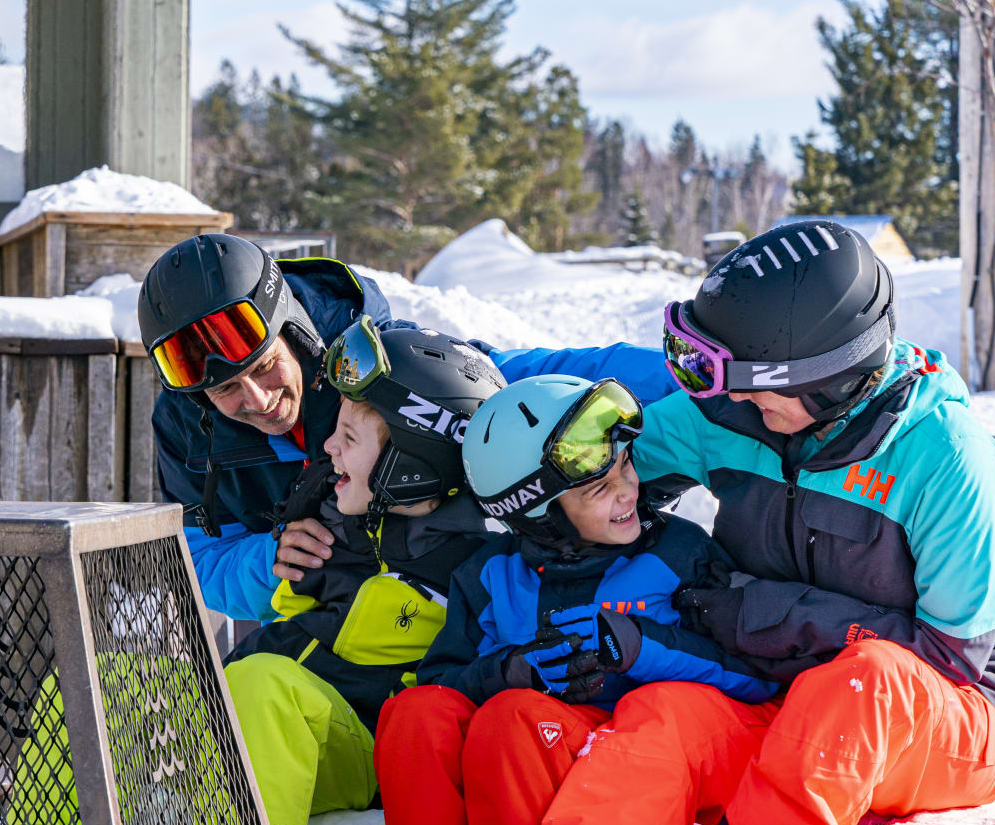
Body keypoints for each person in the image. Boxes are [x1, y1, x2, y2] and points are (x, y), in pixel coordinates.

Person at [408, 219, 995, 825]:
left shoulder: (946, 459)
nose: (732, 402)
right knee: (665, 713)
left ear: (826, 378)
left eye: (750, 385)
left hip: (950, 717)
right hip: (781, 692)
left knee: (858, 684)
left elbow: (947, 658)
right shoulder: (735, 419)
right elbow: (584, 443)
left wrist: (756, 610)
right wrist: (449, 403)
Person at [374, 374, 778, 825]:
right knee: (416, 713)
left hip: (625, 759)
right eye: (598, 488)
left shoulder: (681, 554)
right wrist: (505, 670)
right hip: (523, 753)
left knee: (513, 720)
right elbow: (444, 680)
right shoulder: (489, 576)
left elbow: (751, 675)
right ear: (539, 514)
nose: (627, 491)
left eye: (625, 467)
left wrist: (646, 651)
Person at [138, 235, 682, 625]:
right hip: (323, 624)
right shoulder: (190, 429)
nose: (256, 401)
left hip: (448, 612)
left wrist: (695, 373)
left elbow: (514, 383)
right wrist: (266, 561)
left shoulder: (374, 364)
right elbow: (199, 557)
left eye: (263, 368)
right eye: (225, 389)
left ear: (294, 329)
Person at [221, 318, 507, 825]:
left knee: (264, 687)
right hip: (256, 728)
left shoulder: (478, 570)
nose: (327, 446)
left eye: (349, 439)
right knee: (101, 680)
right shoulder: (331, 523)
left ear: (410, 470)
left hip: (355, 752)